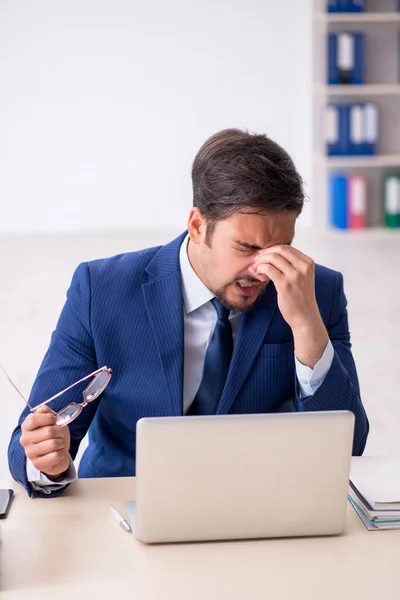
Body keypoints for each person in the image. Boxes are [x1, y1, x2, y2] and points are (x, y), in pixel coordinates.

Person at [8, 128, 369, 497]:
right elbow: (31, 438)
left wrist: (307, 324)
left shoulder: (316, 292)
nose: (263, 271)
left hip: (259, 505)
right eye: (247, 247)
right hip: (128, 503)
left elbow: (351, 446)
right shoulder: (100, 289)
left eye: (281, 248)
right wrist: (47, 463)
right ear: (197, 226)